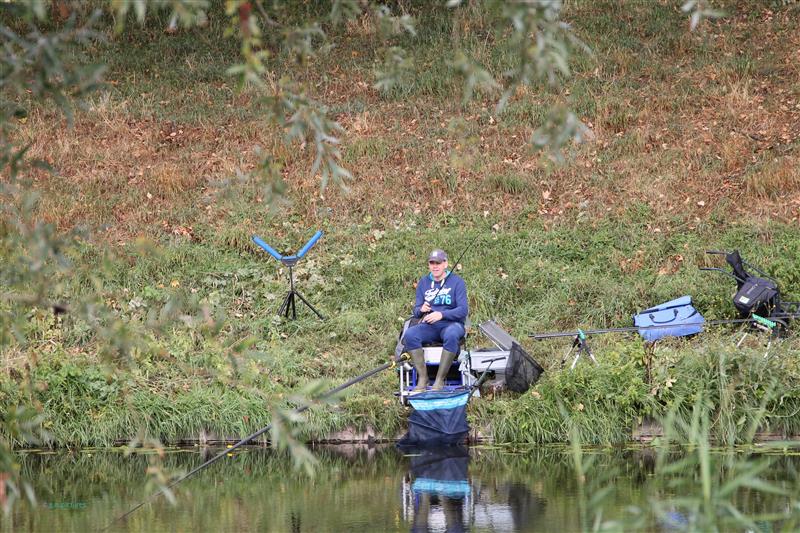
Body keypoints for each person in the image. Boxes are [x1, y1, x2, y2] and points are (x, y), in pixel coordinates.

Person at [403, 249, 468, 392]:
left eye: (438, 263)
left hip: (452, 324)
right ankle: (423, 378)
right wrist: (421, 309)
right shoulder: (423, 283)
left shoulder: (457, 282)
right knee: (410, 334)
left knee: (451, 335)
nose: (435, 266)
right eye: (432, 263)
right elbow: (416, 311)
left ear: (445, 264)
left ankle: (439, 380)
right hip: (430, 326)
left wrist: (442, 314)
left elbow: (463, 310)